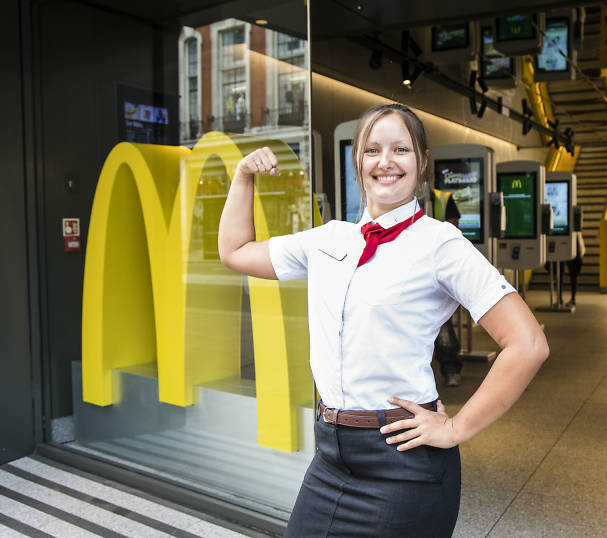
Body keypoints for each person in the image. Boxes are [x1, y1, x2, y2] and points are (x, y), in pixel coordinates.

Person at [217, 103, 549, 537]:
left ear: (422, 162)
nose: (385, 161)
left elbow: (527, 344)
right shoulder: (328, 239)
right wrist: (242, 177)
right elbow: (235, 251)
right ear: (358, 162)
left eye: (400, 149)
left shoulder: (441, 243)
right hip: (330, 456)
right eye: (371, 150)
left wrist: (454, 428)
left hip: (402, 463)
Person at [431, 187, 463, 387]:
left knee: (442, 325)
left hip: (434, 264)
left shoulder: (442, 198)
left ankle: (451, 369)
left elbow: (453, 227)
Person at [565, 231, 586, 307]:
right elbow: (582, 247)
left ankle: (572, 299)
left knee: (573, 279)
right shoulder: (578, 234)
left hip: (574, 260)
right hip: (577, 259)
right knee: (574, 279)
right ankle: (573, 299)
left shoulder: (573, 235)